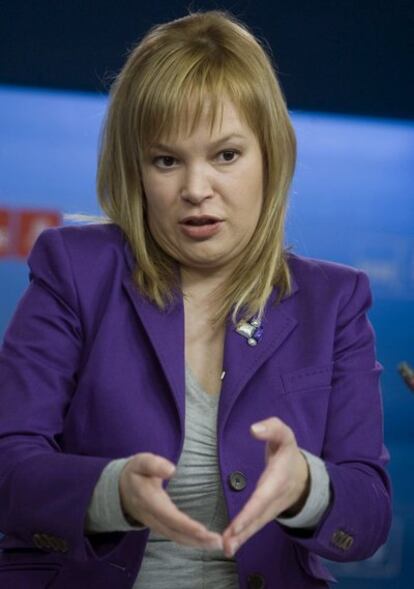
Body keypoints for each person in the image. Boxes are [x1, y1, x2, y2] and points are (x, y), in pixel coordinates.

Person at [0, 10, 391, 589]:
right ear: (136, 171)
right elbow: (9, 462)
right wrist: (113, 493)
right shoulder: (74, 269)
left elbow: (369, 515)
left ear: (270, 157)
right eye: (167, 160)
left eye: (226, 155)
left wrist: (308, 487)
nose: (196, 189)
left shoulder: (333, 301)